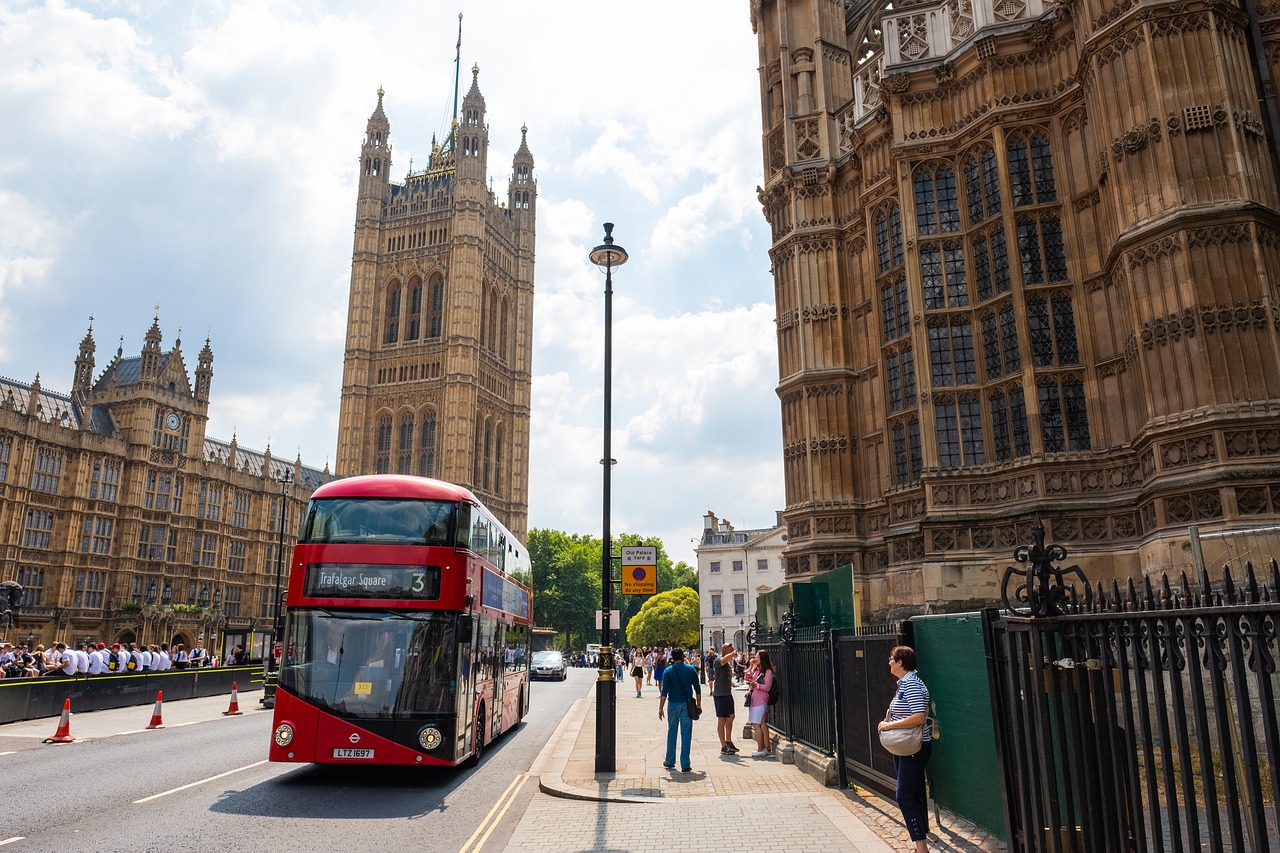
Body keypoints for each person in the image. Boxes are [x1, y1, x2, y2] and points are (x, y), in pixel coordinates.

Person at [878, 645, 932, 853]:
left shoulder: (912, 685)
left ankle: (921, 847)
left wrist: (889, 725)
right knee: (914, 793)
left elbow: (919, 717)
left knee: (904, 796)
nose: (889, 662)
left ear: (901, 662)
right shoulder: (904, 684)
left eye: (892, 659)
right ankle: (922, 841)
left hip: (914, 748)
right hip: (904, 747)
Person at [657, 647, 701, 773]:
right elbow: (697, 688)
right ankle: (685, 763)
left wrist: (660, 707)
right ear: (682, 657)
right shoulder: (691, 669)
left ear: (672, 658)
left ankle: (670, 761)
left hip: (673, 704)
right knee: (686, 734)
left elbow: (664, 692)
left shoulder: (668, 671)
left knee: (672, 732)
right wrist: (698, 704)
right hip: (687, 704)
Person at [745, 649, 775, 757]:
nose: (755, 658)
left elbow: (767, 687)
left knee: (757, 723)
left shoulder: (768, 672)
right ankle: (764, 747)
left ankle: (760, 748)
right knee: (756, 723)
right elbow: (746, 677)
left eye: (757, 657)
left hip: (761, 700)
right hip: (754, 699)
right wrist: (750, 666)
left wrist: (756, 685)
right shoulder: (756, 669)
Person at [711, 642, 739, 754]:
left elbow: (724, 675)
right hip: (720, 694)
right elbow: (723, 661)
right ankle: (723, 746)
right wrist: (732, 654)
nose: (732, 653)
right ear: (725, 650)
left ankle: (728, 741)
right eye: (730, 650)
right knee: (722, 719)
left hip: (727, 692)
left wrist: (731, 683)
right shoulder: (718, 660)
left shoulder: (728, 663)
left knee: (731, 716)